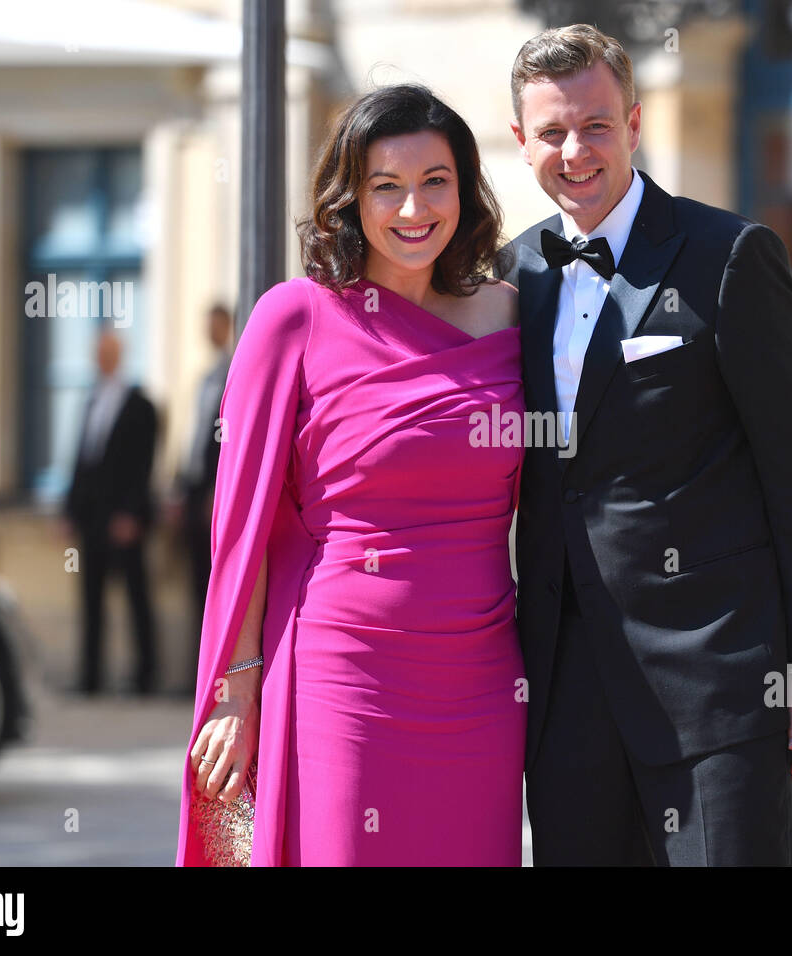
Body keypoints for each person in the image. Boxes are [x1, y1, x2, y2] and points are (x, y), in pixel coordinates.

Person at [498, 24, 792, 865]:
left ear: (634, 121)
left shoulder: (729, 256)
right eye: (552, 132)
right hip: (566, 688)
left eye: (595, 125)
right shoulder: (509, 277)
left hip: (719, 679)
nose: (575, 150)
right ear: (522, 142)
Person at [176, 84, 524, 866]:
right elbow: (244, 524)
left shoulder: (510, 316)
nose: (414, 208)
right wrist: (238, 688)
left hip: (482, 680)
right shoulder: (293, 317)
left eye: (435, 181)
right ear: (351, 198)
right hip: (346, 670)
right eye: (386, 186)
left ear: (464, 190)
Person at [64, 327, 159, 696]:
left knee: (136, 596)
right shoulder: (89, 402)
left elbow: (143, 465)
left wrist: (131, 513)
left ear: (119, 355)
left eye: (108, 352)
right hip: (92, 519)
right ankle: (91, 677)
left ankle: (145, 676)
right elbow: (83, 461)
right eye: (97, 353)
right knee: (91, 598)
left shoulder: (141, 405)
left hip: (125, 520)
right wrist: (70, 510)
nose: (101, 359)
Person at [171, 303, 233, 678]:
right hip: (194, 495)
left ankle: (221, 669)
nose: (211, 332)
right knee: (196, 585)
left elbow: (229, 441)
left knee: (219, 584)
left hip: (216, 496)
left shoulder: (233, 374)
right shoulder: (203, 378)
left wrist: (220, 490)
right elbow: (192, 440)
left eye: (216, 325)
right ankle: (200, 671)